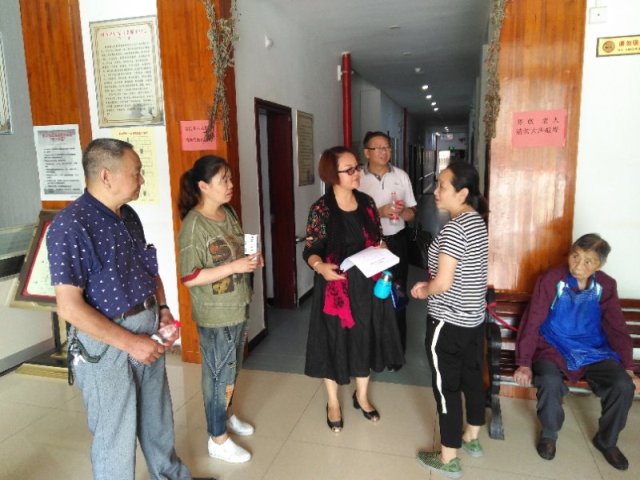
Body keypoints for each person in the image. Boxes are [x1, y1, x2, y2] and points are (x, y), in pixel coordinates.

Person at [47, 138, 214, 480]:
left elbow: (147, 269)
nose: (142, 180)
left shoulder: (128, 216)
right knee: (115, 434)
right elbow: (69, 307)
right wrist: (130, 343)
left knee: (157, 418)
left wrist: (163, 309)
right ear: (106, 176)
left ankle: (171, 477)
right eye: (136, 173)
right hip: (105, 346)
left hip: (146, 330)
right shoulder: (70, 225)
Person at [514, 233, 640, 471]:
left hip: (593, 349)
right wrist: (524, 362)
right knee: (549, 380)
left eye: (588, 261)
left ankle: (607, 441)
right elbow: (533, 320)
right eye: (575, 256)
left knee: (623, 385)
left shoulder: (606, 285)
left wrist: (628, 367)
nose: (578, 266)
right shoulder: (552, 279)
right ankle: (549, 434)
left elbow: (616, 327)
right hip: (553, 345)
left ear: (599, 265)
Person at [303, 146, 404, 433]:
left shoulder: (367, 203)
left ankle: (362, 396)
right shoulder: (321, 209)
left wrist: (381, 248)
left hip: (367, 285)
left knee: (365, 338)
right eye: (349, 170)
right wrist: (320, 266)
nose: (357, 173)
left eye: (357, 167)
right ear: (331, 175)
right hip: (335, 287)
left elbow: (378, 238)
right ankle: (333, 402)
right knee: (333, 340)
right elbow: (311, 248)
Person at [177, 156, 261, 464]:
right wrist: (234, 267)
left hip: (237, 305)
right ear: (203, 186)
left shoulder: (228, 212)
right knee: (217, 375)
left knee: (232, 369)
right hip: (216, 314)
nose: (230, 185)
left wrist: (251, 260)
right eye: (223, 180)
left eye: (229, 178)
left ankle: (225, 415)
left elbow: (236, 250)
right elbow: (190, 277)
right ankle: (217, 438)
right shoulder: (193, 226)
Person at [410, 161, 488, 479]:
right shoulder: (476, 221)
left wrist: (422, 290)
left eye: (443, 186)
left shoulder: (455, 229)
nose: (436, 191)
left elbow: (442, 283)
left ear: (463, 193)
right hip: (473, 320)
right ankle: (472, 437)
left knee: (447, 388)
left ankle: (448, 458)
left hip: (448, 322)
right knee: (472, 378)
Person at [359, 131, 417, 369]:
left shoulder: (401, 176)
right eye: (379, 148)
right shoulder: (357, 178)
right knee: (369, 296)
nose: (385, 152)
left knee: (397, 295)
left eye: (387, 147)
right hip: (368, 245)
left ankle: (395, 354)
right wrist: (378, 213)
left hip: (396, 242)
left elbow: (412, 213)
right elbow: (350, 215)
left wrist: (404, 212)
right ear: (367, 152)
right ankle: (370, 352)